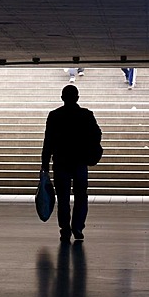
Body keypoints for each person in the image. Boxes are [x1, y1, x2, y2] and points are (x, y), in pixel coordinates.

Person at [41, 85, 102, 242]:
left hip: (61, 162)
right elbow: (97, 134)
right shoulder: (86, 115)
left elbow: (48, 141)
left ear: (62, 98)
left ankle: (65, 229)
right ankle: (78, 227)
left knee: (63, 198)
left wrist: (45, 164)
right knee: (81, 195)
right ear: (77, 98)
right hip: (80, 161)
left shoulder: (54, 116)